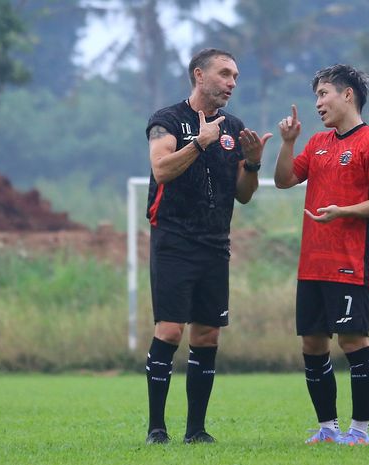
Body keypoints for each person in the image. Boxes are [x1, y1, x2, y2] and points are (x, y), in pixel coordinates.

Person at [143, 48, 272, 445]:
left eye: (235, 76)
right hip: (174, 240)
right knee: (169, 329)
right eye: (224, 74)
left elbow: (244, 195)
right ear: (199, 75)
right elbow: (161, 169)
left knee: (208, 337)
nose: (232, 82)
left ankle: (196, 430)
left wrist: (252, 163)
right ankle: (156, 429)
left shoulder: (234, 126)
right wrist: (199, 142)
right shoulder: (166, 121)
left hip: (215, 243)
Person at [273, 64, 369, 446]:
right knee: (312, 343)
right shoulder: (317, 143)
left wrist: (344, 211)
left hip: (349, 265)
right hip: (312, 264)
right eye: (316, 96)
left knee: (352, 342)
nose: (318, 103)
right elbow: (283, 181)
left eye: (324, 93)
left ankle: (359, 431)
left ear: (348, 95)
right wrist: (289, 142)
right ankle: (327, 428)